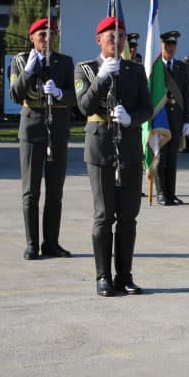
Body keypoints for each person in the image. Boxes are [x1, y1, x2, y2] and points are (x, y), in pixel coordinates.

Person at [75, 16, 152, 296]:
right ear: (98, 40)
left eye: (120, 36)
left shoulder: (134, 70)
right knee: (104, 215)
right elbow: (84, 106)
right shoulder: (84, 69)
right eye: (110, 35)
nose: (116, 40)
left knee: (129, 216)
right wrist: (101, 77)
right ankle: (103, 276)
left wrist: (131, 118)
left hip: (129, 147)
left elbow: (147, 108)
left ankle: (125, 275)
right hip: (100, 147)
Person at [9, 18, 75, 260]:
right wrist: (28, 71)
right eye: (42, 35)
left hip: (56, 129)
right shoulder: (19, 61)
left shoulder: (64, 62)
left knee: (55, 190)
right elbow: (15, 94)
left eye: (51, 35)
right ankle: (31, 243)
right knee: (31, 190)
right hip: (32, 128)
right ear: (32, 37)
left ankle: (51, 242)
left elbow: (76, 97)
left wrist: (59, 93)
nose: (47, 40)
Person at [153, 30, 189, 205]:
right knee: (160, 156)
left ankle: (171, 193)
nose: (170, 48)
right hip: (160, 117)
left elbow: (187, 94)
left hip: (176, 117)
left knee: (173, 158)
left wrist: (187, 120)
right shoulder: (154, 67)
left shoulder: (182, 67)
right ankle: (161, 193)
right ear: (161, 46)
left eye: (173, 45)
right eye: (166, 45)